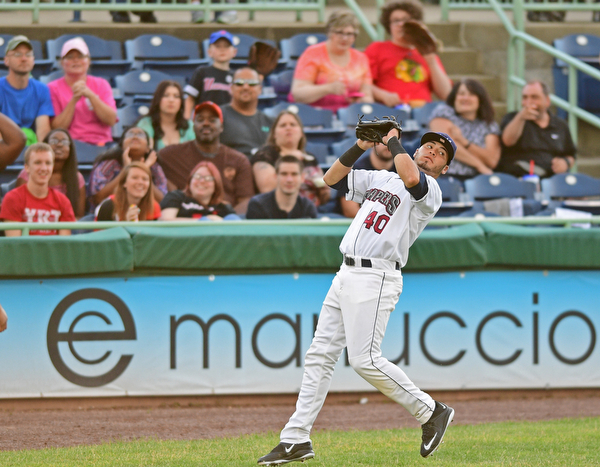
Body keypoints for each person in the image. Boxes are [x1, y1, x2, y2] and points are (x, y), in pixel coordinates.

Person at [257, 129, 457, 465]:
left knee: (364, 359)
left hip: (377, 275)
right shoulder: (380, 177)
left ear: (445, 168)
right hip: (346, 272)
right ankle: (295, 439)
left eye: (440, 153)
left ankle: (431, 410)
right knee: (319, 355)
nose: (432, 152)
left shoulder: (431, 190)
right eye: (429, 146)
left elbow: (411, 177)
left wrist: (393, 141)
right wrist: (361, 146)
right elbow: (331, 179)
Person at [158, 101, 254, 214]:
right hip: (185, 222)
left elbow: (246, 201)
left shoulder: (238, 160)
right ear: (193, 127)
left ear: (221, 127)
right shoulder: (170, 155)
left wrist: (226, 221)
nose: (206, 123)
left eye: (212, 120)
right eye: (200, 120)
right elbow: (149, 163)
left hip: (224, 224)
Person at [364, 0, 452, 108]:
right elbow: (363, 83)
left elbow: (446, 94)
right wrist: (383, 95)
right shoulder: (377, 49)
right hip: (389, 111)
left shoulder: (426, 51)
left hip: (422, 111)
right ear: (389, 26)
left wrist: (431, 61)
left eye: (406, 20)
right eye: (396, 21)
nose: (401, 24)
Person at [290, 11, 373, 112]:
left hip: (350, 115)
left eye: (350, 34)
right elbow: (298, 93)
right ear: (329, 33)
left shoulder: (361, 58)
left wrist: (361, 100)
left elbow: (368, 96)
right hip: (315, 113)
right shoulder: (313, 53)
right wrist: (328, 89)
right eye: (340, 33)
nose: (345, 38)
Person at [251, 110, 330, 207]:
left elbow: (324, 195)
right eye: (283, 125)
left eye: (293, 124)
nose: (288, 128)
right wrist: (291, 158)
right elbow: (267, 188)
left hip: (312, 210)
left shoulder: (310, 158)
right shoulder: (265, 154)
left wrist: (324, 191)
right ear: (274, 134)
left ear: (301, 133)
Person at [498, 80, 576, 178]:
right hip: (519, 179)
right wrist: (521, 117)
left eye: (534, 97)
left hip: (552, 181)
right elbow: (507, 141)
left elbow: (571, 154)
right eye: (525, 97)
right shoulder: (513, 118)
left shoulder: (560, 125)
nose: (528, 102)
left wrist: (565, 162)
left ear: (547, 100)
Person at [48, 37, 118, 146]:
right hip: (69, 145)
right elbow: (57, 128)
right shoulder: (53, 88)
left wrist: (91, 95)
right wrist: (74, 99)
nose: (75, 60)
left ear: (88, 61)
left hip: (100, 143)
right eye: (70, 57)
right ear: (62, 62)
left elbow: (111, 120)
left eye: (80, 56)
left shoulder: (101, 84)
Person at [428, 78, 501, 181]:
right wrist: (479, 165)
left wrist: (463, 142)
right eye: (461, 94)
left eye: (471, 94)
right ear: (454, 98)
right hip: (443, 176)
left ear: (480, 99)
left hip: (476, 179)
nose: (465, 98)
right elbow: (445, 145)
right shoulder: (444, 112)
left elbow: (491, 161)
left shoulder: (489, 125)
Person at [0, 142, 75, 236]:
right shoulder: (12, 198)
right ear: (27, 167)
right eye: (38, 162)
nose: (43, 168)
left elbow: (64, 244)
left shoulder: (63, 201)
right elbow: (16, 245)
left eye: (48, 163)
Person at [88, 126, 167, 211]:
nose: (135, 136)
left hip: (146, 215)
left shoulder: (154, 166)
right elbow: (98, 199)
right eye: (130, 134)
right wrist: (126, 171)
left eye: (140, 135)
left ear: (148, 148)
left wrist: (144, 169)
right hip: (109, 215)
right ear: (122, 146)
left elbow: (162, 201)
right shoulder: (109, 164)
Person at [15, 129, 86, 218]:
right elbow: (17, 210)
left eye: (64, 142)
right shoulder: (28, 173)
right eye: (54, 141)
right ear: (45, 146)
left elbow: (79, 216)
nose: (59, 145)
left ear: (70, 148)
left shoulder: (77, 178)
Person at [0, 35, 53, 145]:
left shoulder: (42, 89)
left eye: (28, 54)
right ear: (6, 60)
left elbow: (42, 131)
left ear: (33, 60)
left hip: (30, 148)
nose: (24, 58)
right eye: (17, 54)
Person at [219, 67, 273, 157]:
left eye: (252, 83)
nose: (245, 87)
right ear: (231, 88)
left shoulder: (270, 121)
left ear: (260, 89)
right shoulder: (218, 116)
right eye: (239, 83)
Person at [159, 161, 239, 221]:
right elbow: (165, 221)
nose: (202, 181)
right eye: (197, 176)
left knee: (233, 218)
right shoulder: (177, 197)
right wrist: (203, 221)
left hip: (216, 241)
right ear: (190, 180)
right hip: (184, 240)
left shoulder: (223, 207)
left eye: (208, 178)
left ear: (216, 185)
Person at [337, 141, 398, 218]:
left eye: (394, 139)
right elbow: (349, 210)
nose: (388, 144)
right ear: (373, 141)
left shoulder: (404, 172)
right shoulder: (356, 171)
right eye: (384, 140)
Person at [184, 30, 237, 118]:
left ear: (234, 52)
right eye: (217, 46)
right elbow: (190, 98)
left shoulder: (237, 76)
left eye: (227, 46)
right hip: (205, 120)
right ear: (209, 52)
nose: (222, 49)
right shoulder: (202, 72)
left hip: (229, 121)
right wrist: (186, 121)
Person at [246, 155, 317, 220]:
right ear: (275, 176)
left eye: (294, 174)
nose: (289, 180)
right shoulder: (258, 205)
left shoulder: (307, 207)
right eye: (284, 174)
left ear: (302, 177)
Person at [136, 80, 195, 151]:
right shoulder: (146, 123)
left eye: (176, 96)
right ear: (158, 99)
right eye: (166, 95)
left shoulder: (189, 125)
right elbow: (145, 152)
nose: (171, 100)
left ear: (181, 102)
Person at [96, 162, 161, 221]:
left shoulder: (154, 206)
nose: (140, 182)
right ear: (124, 183)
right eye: (135, 177)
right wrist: (126, 223)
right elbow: (102, 233)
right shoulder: (108, 206)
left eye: (145, 179)